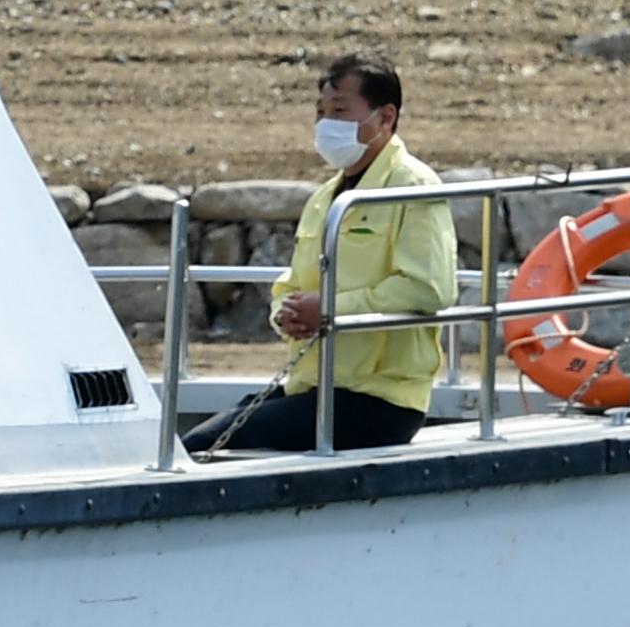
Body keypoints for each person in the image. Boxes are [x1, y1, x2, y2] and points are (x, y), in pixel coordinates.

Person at [183, 55, 459, 457]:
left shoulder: (412, 186)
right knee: (194, 444)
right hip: (313, 386)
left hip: (378, 399)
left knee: (210, 448)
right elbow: (294, 285)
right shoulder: (324, 198)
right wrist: (287, 313)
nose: (327, 124)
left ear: (386, 117)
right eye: (321, 113)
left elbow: (427, 288)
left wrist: (329, 310)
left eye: (341, 111)